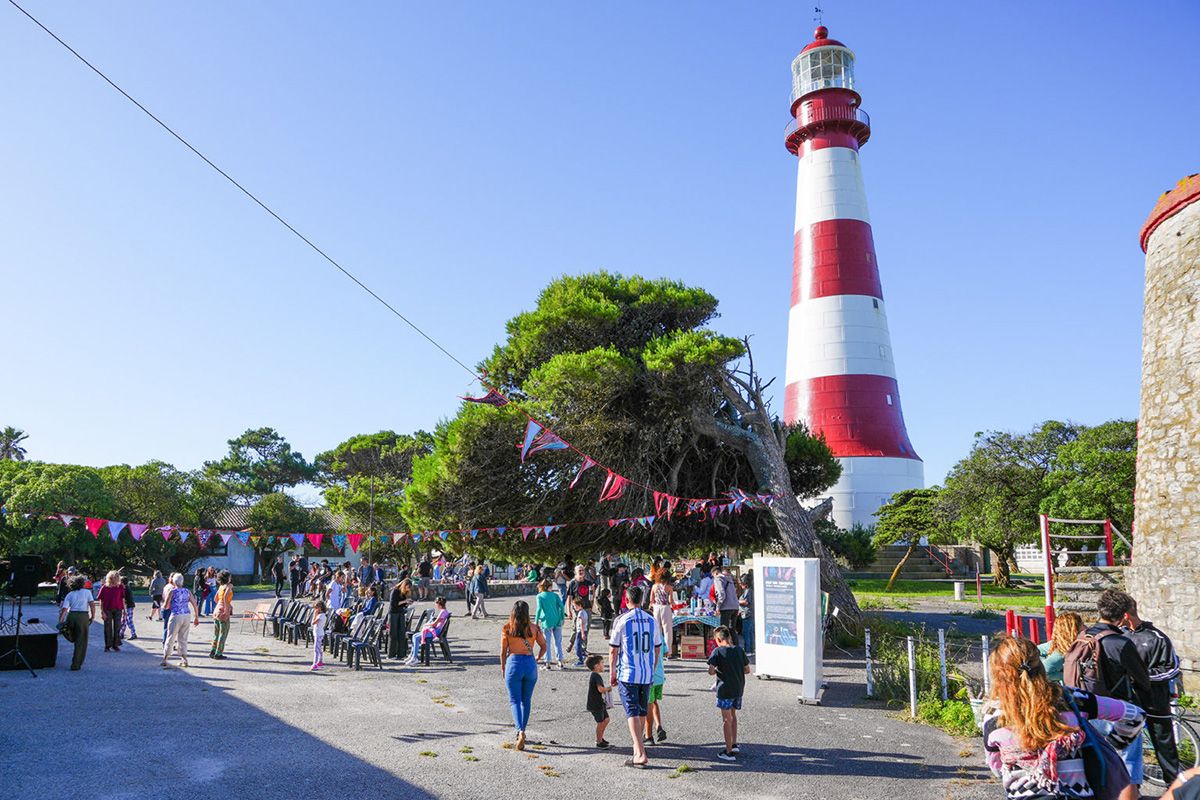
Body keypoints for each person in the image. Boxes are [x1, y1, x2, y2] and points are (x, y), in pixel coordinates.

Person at [984, 634, 1143, 800]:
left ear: (998, 676)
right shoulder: (1072, 700)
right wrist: (1113, 744)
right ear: (1041, 666)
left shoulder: (994, 719)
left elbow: (996, 767)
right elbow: (1135, 715)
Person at [1065, 588, 1154, 791]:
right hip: (1117, 711)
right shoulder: (1120, 643)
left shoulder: (1082, 637)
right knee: (1127, 761)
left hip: (1086, 708)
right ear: (1123, 617)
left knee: (1097, 759)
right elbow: (1143, 679)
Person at [1120, 592, 1182, 786]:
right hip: (1129, 703)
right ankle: (1131, 787)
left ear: (1125, 616)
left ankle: (1174, 788)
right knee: (1124, 747)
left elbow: (1171, 669)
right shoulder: (1120, 636)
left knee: (1165, 749)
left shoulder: (1157, 637)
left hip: (1155, 701)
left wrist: (1141, 677)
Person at [609, 584, 662, 769]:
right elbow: (657, 647)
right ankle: (637, 746)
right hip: (646, 673)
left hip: (628, 672)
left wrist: (612, 672)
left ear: (626, 599)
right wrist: (652, 667)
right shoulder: (651, 620)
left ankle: (639, 752)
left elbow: (613, 650)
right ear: (642, 600)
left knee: (632, 710)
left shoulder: (622, 620)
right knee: (640, 709)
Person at [499, 600, 547, 750]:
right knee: (526, 700)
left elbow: (502, 652)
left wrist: (503, 667)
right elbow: (544, 645)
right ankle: (523, 730)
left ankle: (519, 731)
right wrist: (537, 657)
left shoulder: (507, 628)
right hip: (529, 664)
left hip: (514, 663)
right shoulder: (534, 628)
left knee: (514, 700)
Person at [707, 625, 749, 761]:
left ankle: (728, 751)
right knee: (733, 716)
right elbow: (747, 670)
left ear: (718, 639)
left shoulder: (717, 652)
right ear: (729, 637)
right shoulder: (739, 650)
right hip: (738, 688)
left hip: (724, 689)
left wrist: (720, 669)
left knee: (726, 720)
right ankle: (734, 743)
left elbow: (711, 671)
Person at [161, 573, 200, 668]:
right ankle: (184, 659)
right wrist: (196, 617)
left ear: (174, 581)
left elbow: (166, 605)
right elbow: (195, 604)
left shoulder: (172, 591)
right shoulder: (187, 591)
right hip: (186, 615)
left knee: (171, 637)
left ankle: (165, 659)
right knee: (183, 638)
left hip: (176, 615)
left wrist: (164, 606)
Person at [58, 575, 96, 670]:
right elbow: (92, 605)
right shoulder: (87, 592)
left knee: (71, 634)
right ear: (82, 583)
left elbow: (65, 609)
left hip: (72, 615)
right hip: (82, 616)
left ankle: (71, 638)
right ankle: (76, 664)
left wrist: (61, 621)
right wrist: (93, 616)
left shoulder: (70, 594)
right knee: (81, 641)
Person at [403, 596, 451, 666]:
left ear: (439, 604)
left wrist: (427, 625)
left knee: (416, 637)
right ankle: (412, 655)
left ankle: (414, 657)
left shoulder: (442, 612)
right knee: (415, 636)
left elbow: (434, 624)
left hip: (436, 632)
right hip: (437, 630)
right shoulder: (445, 611)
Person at [1037, 611, 1083, 684]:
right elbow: (1045, 672)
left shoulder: (1061, 643)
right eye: (1082, 625)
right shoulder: (1062, 652)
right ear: (1074, 630)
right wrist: (1069, 675)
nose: (1086, 628)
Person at [534, 579, 566, 669]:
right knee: (558, 642)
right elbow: (561, 607)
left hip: (546, 621)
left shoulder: (539, 596)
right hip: (557, 620)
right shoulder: (555, 595)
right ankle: (560, 661)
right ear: (549, 587)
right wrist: (562, 617)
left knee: (546, 642)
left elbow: (539, 609)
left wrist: (536, 622)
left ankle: (547, 663)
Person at [585, 654, 612, 749]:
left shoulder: (596, 675)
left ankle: (601, 737)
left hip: (599, 703)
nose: (603, 665)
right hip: (595, 704)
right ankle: (599, 741)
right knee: (600, 722)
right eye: (602, 663)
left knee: (606, 719)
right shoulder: (596, 676)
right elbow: (600, 689)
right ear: (596, 666)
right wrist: (608, 688)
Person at [96, 571, 125, 653]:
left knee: (117, 627)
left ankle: (115, 645)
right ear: (110, 578)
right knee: (107, 628)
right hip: (107, 609)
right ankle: (107, 645)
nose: (117, 579)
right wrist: (102, 612)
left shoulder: (120, 587)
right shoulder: (104, 587)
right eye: (115, 577)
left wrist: (125, 610)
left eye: (117, 577)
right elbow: (101, 600)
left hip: (118, 609)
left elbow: (122, 599)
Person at [646, 640, 667, 745]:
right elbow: (667, 652)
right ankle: (658, 726)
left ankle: (648, 736)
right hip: (660, 675)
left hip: (650, 676)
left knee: (648, 704)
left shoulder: (645, 633)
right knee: (654, 702)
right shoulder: (660, 636)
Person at [387, 579, 414, 659]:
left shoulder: (403, 593)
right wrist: (404, 601)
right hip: (393, 613)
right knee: (393, 634)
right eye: (407, 587)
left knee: (401, 633)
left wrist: (407, 603)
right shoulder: (395, 591)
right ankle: (391, 654)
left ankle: (401, 654)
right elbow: (393, 604)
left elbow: (402, 604)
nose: (407, 589)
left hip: (400, 613)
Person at [649, 568, 674, 657]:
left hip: (656, 608)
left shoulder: (654, 586)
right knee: (667, 631)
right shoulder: (669, 587)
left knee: (657, 630)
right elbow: (671, 601)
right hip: (665, 608)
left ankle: (658, 651)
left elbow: (651, 600)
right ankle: (668, 652)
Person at [210, 570, 234, 660]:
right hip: (222, 611)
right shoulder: (228, 586)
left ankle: (213, 650)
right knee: (223, 633)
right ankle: (218, 653)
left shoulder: (220, 586)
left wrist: (227, 604)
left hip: (216, 611)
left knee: (216, 633)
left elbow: (216, 599)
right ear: (227, 578)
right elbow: (225, 597)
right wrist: (227, 609)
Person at [714, 565, 740, 635]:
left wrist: (718, 607)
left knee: (724, 631)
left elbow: (721, 594)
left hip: (726, 607)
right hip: (735, 606)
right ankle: (735, 645)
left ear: (715, 573)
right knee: (732, 630)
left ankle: (726, 646)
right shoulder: (730, 579)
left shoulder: (718, 579)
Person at [117, 575, 138, 642]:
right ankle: (121, 633)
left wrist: (124, 609)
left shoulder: (125, 589)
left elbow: (125, 601)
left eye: (120, 582)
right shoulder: (125, 588)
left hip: (128, 606)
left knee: (129, 620)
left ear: (122, 583)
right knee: (123, 620)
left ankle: (133, 634)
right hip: (127, 606)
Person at [738, 573, 754, 656]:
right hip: (749, 614)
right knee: (750, 632)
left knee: (746, 632)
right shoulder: (749, 590)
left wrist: (737, 601)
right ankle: (751, 649)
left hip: (747, 614)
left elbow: (746, 602)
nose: (740, 585)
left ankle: (748, 650)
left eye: (741, 583)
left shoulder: (748, 591)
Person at [571, 596, 591, 666]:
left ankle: (580, 660)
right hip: (583, 631)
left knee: (577, 645)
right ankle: (583, 655)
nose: (574, 607)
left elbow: (582, 624)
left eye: (575, 606)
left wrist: (582, 633)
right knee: (580, 644)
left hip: (580, 631)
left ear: (580, 605)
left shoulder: (580, 613)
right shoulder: (584, 612)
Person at [310, 600, 327, 671]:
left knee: (316, 649)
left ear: (320, 608)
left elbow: (313, 623)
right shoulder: (321, 616)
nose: (315, 610)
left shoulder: (320, 616)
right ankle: (320, 661)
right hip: (318, 633)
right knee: (319, 648)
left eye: (316, 608)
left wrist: (315, 615)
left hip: (318, 633)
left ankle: (315, 663)